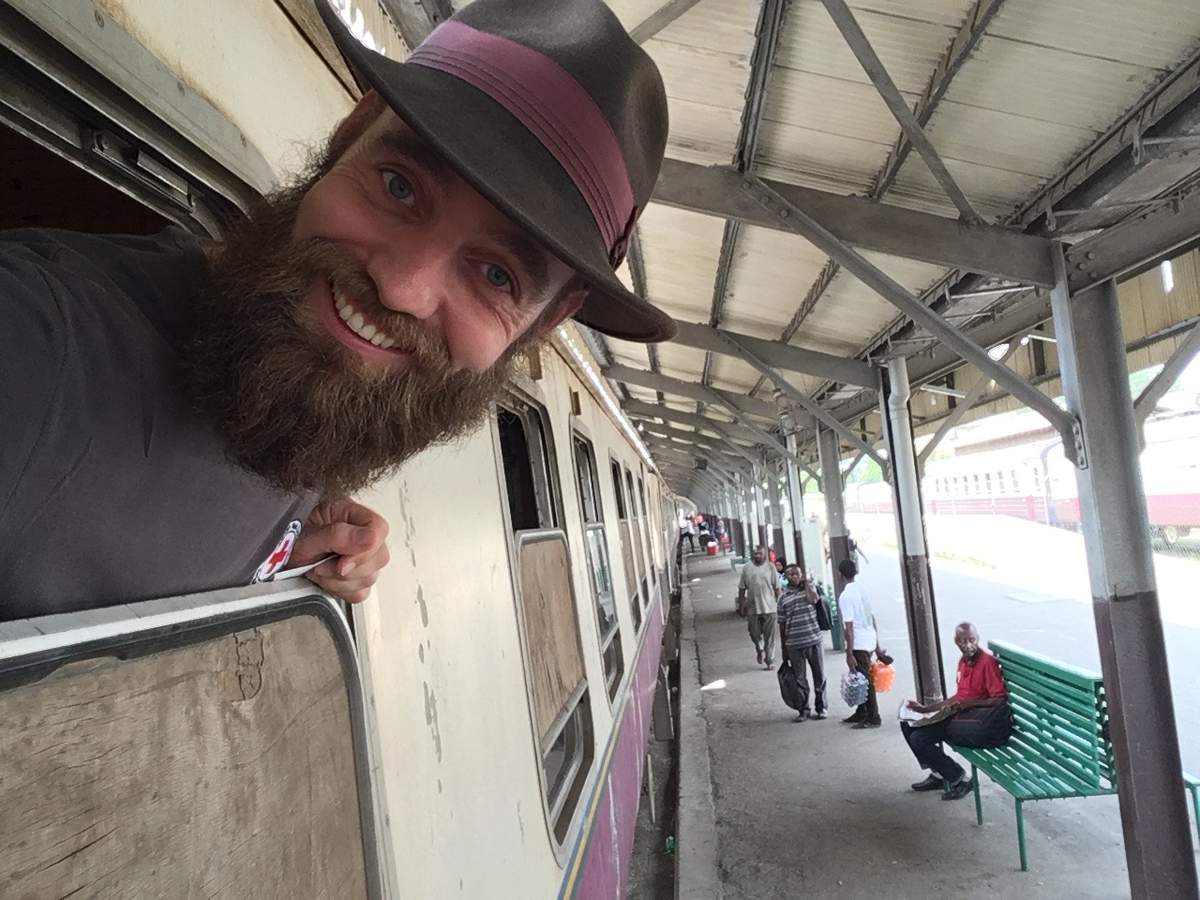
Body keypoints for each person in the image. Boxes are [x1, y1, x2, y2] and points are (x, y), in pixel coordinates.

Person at [0, 0, 672, 621]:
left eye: (497, 275)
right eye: (399, 187)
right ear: (349, 133)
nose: (401, 288)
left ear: (545, 322)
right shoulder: (37, 346)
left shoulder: (300, 416)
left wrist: (290, 551)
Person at [902, 622, 1011, 801]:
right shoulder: (963, 661)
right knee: (908, 725)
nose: (968, 645)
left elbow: (999, 699)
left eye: (972, 640)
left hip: (971, 720)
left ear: (978, 639)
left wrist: (970, 704)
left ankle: (960, 778)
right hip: (957, 713)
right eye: (963, 641)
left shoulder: (987, 663)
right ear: (956, 642)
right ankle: (939, 773)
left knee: (919, 738)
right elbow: (958, 696)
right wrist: (925, 709)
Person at [777, 564, 826, 721]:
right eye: (790, 574)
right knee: (800, 678)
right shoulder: (783, 598)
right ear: (786, 578)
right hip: (794, 644)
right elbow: (782, 624)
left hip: (813, 640)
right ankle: (804, 709)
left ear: (801, 575)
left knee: (819, 676)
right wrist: (784, 648)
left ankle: (821, 707)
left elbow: (815, 600)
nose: (794, 577)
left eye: (797, 574)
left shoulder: (809, 590)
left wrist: (807, 584)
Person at [839, 558, 883, 728]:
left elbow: (848, 627)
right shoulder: (864, 590)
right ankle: (862, 712)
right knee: (861, 678)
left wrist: (849, 653)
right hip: (869, 639)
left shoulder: (846, 596)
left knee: (865, 681)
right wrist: (878, 646)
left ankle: (873, 717)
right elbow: (871, 617)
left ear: (840, 575)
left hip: (858, 643)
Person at [737, 545, 779, 668]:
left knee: (769, 637)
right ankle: (759, 648)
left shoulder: (771, 568)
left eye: (760, 554)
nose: (757, 556)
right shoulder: (747, 568)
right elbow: (741, 588)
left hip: (770, 607)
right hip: (753, 607)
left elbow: (777, 588)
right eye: (755, 554)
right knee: (754, 633)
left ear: (765, 554)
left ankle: (769, 660)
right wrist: (742, 606)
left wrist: (780, 605)